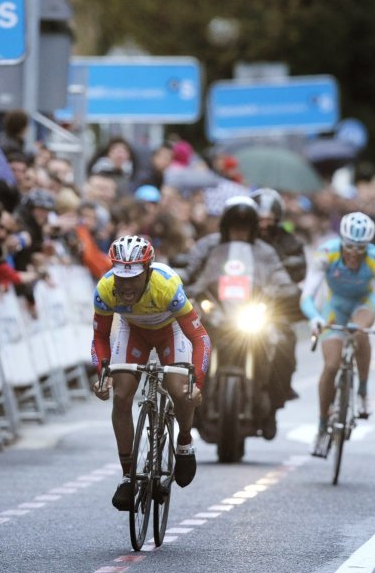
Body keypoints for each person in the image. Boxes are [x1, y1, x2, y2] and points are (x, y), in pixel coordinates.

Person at [90, 235, 211, 511]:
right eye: (121, 277)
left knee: (179, 388)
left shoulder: (166, 286)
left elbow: (200, 337)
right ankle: (127, 476)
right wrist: (103, 374)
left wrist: (197, 384)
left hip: (171, 330)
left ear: (148, 270)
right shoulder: (106, 289)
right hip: (132, 330)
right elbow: (99, 337)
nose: (126, 285)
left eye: (134, 278)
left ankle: (184, 442)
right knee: (120, 396)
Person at [178, 196, 297, 437]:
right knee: (183, 344)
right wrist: (180, 281)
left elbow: (281, 278)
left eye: (245, 227)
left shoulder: (265, 251)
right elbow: (189, 270)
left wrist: (287, 290)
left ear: (253, 228)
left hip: (252, 312)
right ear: (225, 225)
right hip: (214, 312)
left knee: (284, 342)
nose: (239, 231)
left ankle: (272, 405)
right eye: (235, 226)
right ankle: (188, 401)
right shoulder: (208, 245)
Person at [303, 212, 375, 457]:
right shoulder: (327, 253)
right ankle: (323, 426)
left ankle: (362, 391)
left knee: (358, 331)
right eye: (350, 247)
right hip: (335, 306)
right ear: (342, 241)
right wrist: (315, 317)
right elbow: (307, 296)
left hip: (364, 302)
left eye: (360, 248)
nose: (354, 253)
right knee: (331, 366)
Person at [252, 188, 306, 401]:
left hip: (272, 305)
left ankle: (281, 389)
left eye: (269, 219)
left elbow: (300, 268)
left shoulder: (289, 241)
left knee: (284, 339)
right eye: (259, 219)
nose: (264, 224)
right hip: (237, 301)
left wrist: (289, 279)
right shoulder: (238, 236)